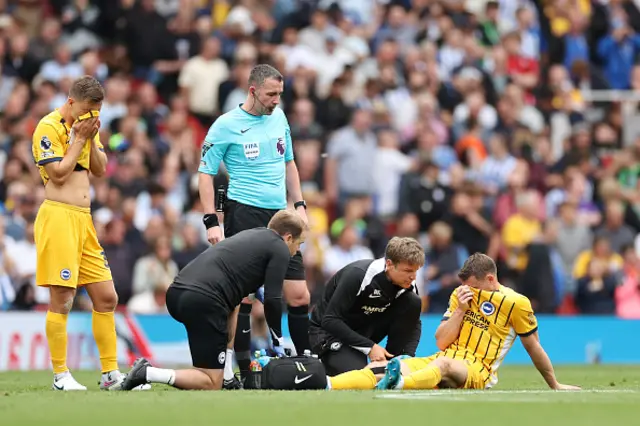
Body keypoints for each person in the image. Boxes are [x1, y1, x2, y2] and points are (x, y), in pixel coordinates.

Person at [198, 63, 310, 387]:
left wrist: (300, 204)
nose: (276, 100)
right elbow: (205, 172)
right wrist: (211, 221)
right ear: (253, 90)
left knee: (299, 294)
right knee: (243, 297)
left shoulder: (280, 117)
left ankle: (305, 361)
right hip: (243, 212)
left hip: (280, 215)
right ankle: (240, 369)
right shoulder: (226, 125)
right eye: (271, 94)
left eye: (280, 94)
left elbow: (289, 161)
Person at [327, 253, 581, 391]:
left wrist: (554, 384)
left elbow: (533, 347)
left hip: (477, 371)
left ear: (490, 280)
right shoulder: (459, 296)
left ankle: (399, 384)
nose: (466, 290)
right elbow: (441, 341)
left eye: (472, 286)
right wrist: (460, 309)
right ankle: (328, 384)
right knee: (382, 366)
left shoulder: (516, 303)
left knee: (445, 364)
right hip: (443, 358)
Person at [120, 210, 307, 391]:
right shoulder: (280, 247)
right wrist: (278, 342)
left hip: (178, 293)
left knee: (235, 300)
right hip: (205, 300)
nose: (297, 251)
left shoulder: (253, 236)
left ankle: (226, 374)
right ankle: (148, 373)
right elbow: (273, 300)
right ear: (288, 237)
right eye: (299, 243)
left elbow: (252, 290)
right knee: (210, 381)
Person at [32, 76, 128, 391]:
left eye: (96, 112)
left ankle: (111, 374)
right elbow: (58, 174)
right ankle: (61, 375)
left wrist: (90, 138)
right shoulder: (49, 127)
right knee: (62, 298)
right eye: (88, 110)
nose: (91, 116)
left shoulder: (86, 128)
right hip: (58, 217)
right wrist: (76, 139)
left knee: (107, 297)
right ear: (72, 101)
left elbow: (99, 169)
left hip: (83, 221)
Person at [309, 237, 424, 376]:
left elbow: (413, 323)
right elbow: (330, 320)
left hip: (361, 331)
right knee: (360, 376)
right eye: (407, 270)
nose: (413, 277)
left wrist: (408, 357)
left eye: (415, 271)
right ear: (389, 264)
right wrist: (370, 347)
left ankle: (394, 360)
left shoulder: (408, 285)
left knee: (413, 302)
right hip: (328, 334)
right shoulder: (359, 275)